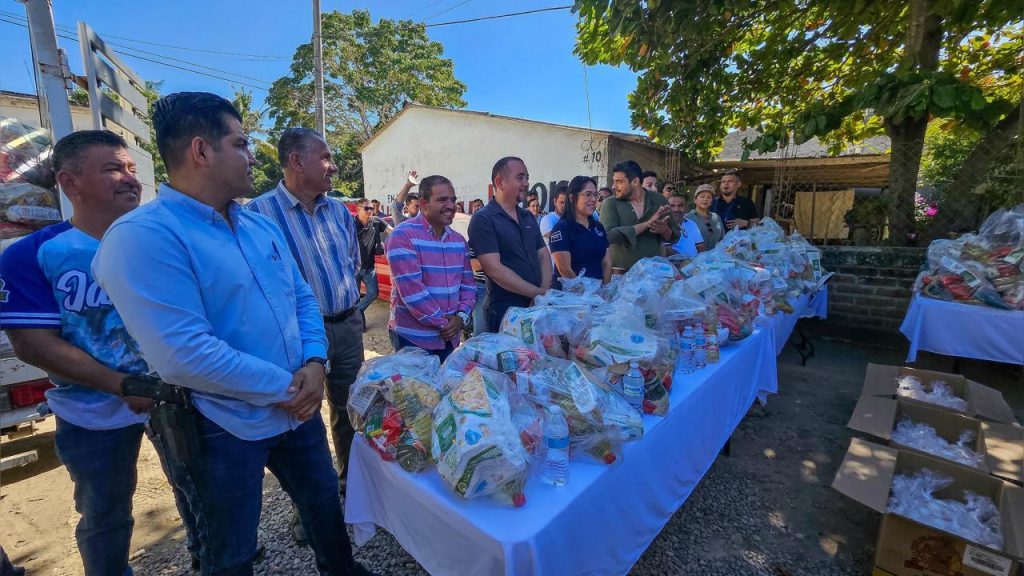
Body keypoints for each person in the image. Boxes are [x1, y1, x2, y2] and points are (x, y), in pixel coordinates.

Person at [93, 93, 373, 576]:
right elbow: (184, 354)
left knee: (325, 508)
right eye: (241, 144)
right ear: (201, 150)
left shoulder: (258, 226)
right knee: (231, 550)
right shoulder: (143, 236)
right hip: (220, 424)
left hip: (296, 410)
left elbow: (303, 298)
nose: (253, 157)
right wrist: (292, 388)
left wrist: (314, 362)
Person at [0, 130, 200, 576]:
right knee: (106, 515)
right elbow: (33, 344)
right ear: (69, 183)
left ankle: (209, 556)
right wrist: (123, 384)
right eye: (113, 168)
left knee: (196, 489)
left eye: (130, 168)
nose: (130, 178)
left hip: (175, 398)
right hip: (90, 415)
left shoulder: (163, 241)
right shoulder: (33, 254)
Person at [245, 127, 365, 545]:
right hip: (295, 340)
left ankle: (353, 490)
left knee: (352, 411)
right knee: (302, 421)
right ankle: (309, 509)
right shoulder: (259, 215)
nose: (334, 166)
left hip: (347, 326)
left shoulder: (340, 212)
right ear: (296, 161)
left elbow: (351, 264)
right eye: (326, 157)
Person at [385, 175, 475, 361]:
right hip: (413, 340)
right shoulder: (403, 236)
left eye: (453, 200)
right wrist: (446, 324)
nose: (451, 206)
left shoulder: (458, 241)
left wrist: (461, 317)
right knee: (414, 381)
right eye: (443, 200)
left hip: (450, 338)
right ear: (423, 204)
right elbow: (413, 293)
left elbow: (468, 285)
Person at [469, 156, 551, 332]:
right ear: (499, 182)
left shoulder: (528, 217)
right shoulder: (483, 219)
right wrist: (536, 293)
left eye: (527, 177)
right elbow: (495, 269)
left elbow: (543, 255)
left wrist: (543, 292)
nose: (526, 183)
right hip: (505, 313)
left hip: (537, 308)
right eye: (520, 178)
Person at [599, 160, 678, 272]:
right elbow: (606, 237)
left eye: (619, 182)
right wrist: (646, 224)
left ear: (635, 182)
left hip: (653, 274)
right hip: (620, 275)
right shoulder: (611, 203)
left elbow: (675, 237)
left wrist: (665, 230)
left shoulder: (659, 200)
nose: (613, 186)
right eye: (614, 181)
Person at [549, 175, 611, 283]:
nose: (593, 199)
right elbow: (565, 270)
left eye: (595, 195)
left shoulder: (598, 227)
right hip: (571, 292)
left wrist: (605, 289)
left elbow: (606, 263)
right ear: (572, 198)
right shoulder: (561, 229)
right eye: (588, 194)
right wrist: (586, 292)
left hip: (599, 291)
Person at [353, 197, 390, 326]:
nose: (370, 210)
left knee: (374, 293)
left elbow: (393, 231)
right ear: (358, 209)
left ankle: (356, 312)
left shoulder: (376, 221)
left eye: (372, 208)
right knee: (355, 298)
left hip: (369, 267)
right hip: (353, 268)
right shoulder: (350, 224)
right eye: (367, 208)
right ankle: (360, 323)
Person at [687, 183, 725, 250]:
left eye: (709, 197)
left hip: (717, 255)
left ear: (711, 201)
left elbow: (723, 239)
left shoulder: (716, 217)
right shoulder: (687, 218)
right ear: (695, 200)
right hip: (694, 256)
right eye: (702, 196)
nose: (705, 199)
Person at [667, 193, 706, 257]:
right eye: (672, 206)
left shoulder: (691, 223)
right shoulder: (663, 225)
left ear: (686, 207)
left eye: (680, 206)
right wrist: (685, 259)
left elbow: (700, 247)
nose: (676, 209)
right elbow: (666, 250)